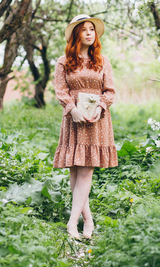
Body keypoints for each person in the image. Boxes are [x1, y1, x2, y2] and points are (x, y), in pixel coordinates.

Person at [53, 14, 118, 239]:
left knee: (86, 170)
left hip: (97, 121)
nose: (90, 33)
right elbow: (61, 91)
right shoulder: (63, 61)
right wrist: (73, 110)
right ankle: (88, 220)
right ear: (76, 34)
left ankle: (73, 223)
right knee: (75, 169)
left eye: (92, 29)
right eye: (85, 29)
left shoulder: (102, 60)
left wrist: (101, 107)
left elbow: (109, 90)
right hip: (74, 119)